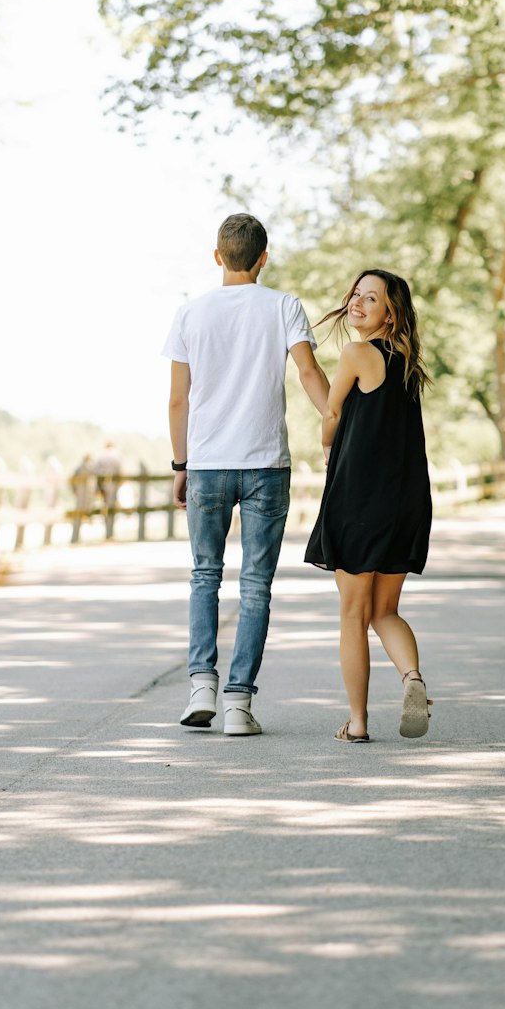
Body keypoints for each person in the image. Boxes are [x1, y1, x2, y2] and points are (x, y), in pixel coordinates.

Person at [164, 213, 329, 736]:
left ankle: (200, 686)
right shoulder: (284, 305)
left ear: (218, 257)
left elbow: (177, 399)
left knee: (204, 575)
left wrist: (180, 464)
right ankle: (238, 703)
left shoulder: (190, 314)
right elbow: (307, 371)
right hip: (265, 464)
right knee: (255, 584)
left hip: (208, 462)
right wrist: (337, 424)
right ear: (263, 258)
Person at [305, 269, 433, 743]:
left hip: (360, 499)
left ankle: (357, 723)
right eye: (356, 294)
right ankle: (412, 678)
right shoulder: (406, 361)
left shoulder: (357, 353)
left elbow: (333, 412)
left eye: (371, 298)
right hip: (407, 502)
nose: (357, 303)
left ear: (389, 312)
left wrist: (325, 448)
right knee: (384, 611)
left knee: (353, 615)